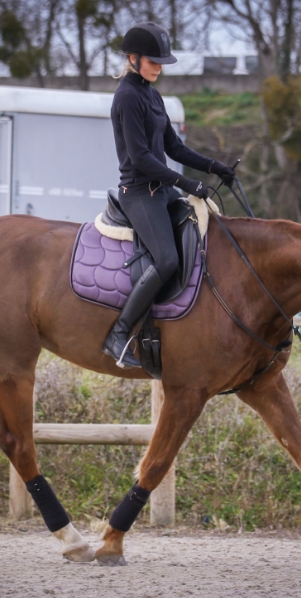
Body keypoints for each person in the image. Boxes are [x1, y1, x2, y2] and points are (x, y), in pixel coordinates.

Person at [102, 21, 237, 368]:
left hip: (160, 191)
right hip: (139, 194)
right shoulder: (127, 97)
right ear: (133, 58)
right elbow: (141, 158)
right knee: (167, 260)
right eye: (153, 61)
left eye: (162, 62)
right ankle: (118, 334)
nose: (160, 67)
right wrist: (187, 184)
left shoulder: (151, 93)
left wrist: (213, 166)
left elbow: (173, 146)